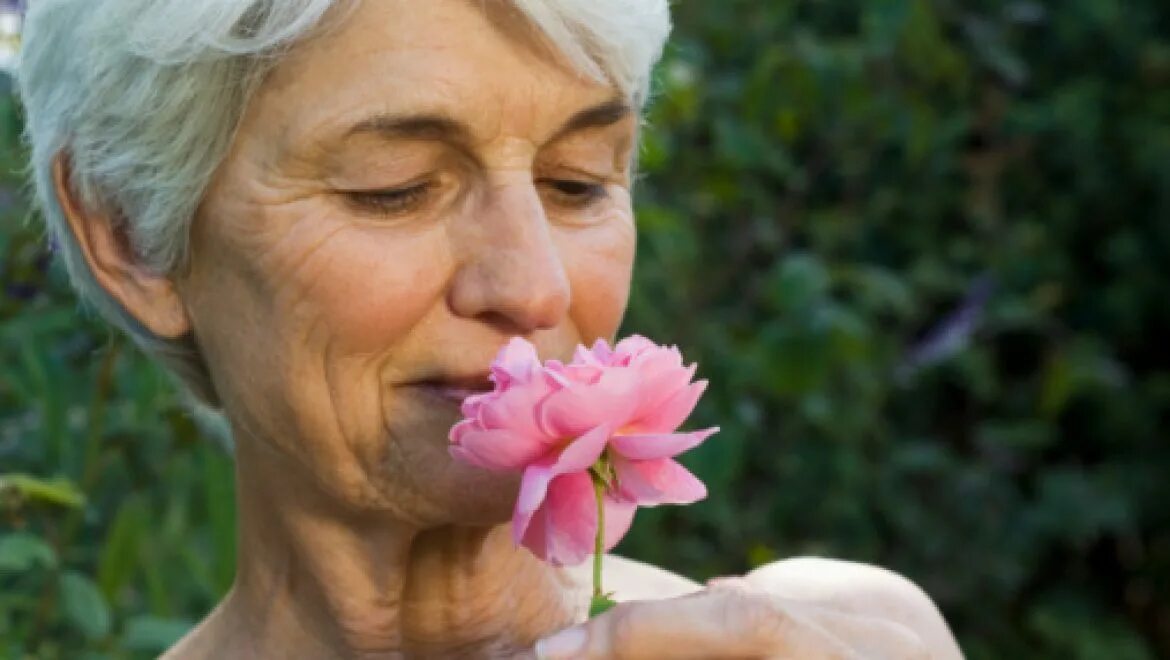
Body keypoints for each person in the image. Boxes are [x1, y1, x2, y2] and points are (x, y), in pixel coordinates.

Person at [19, 0, 965, 657]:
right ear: (132, 236)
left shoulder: (850, 640)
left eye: (579, 181)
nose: (535, 287)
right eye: (393, 189)